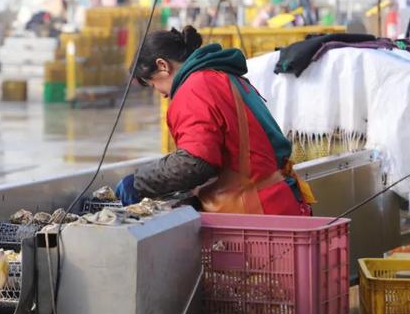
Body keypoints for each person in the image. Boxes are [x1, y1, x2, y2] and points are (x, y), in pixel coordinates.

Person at [114, 26, 314, 215]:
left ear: (162, 66)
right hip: (280, 200)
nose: (162, 95)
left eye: (153, 84)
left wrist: (139, 182)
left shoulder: (194, 88)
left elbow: (194, 162)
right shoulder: (225, 77)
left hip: (256, 213)